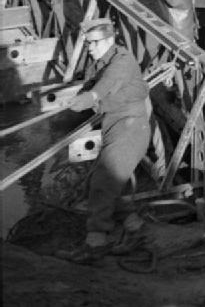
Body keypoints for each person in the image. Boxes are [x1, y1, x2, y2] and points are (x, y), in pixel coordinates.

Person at [59, 18, 151, 263]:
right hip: (115, 128)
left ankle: (96, 241)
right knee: (112, 182)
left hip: (131, 129)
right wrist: (76, 97)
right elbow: (92, 84)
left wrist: (87, 100)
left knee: (102, 181)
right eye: (87, 43)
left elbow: (103, 87)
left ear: (109, 40)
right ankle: (135, 228)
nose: (89, 48)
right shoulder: (99, 62)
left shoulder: (122, 61)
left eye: (93, 43)